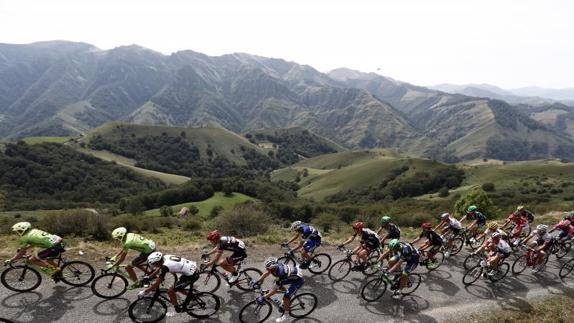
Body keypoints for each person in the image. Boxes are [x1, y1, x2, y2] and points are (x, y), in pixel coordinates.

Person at [252, 257, 304, 323]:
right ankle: (288, 292)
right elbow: (267, 273)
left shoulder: (280, 273)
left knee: (286, 297)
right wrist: (259, 281)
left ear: (273, 268)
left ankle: (286, 315)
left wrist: (263, 297)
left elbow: (274, 291)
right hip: (291, 276)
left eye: (268, 268)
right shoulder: (275, 267)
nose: (266, 269)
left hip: (298, 281)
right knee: (277, 284)